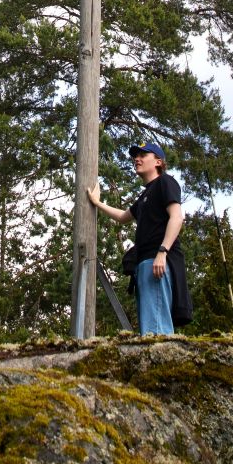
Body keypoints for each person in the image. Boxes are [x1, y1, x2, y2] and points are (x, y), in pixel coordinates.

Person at [87, 141, 185, 335]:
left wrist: (162, 251)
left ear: (158, 161)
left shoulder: (165, 182)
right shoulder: (145, 195)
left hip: (157, 260)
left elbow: (177, 216)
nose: (137, 159)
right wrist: (97, 203)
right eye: (135, 156)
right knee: (149, 324)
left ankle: (159, 361)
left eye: (143, 155)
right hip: (145, 262)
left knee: (155, 328)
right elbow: (124, 217)